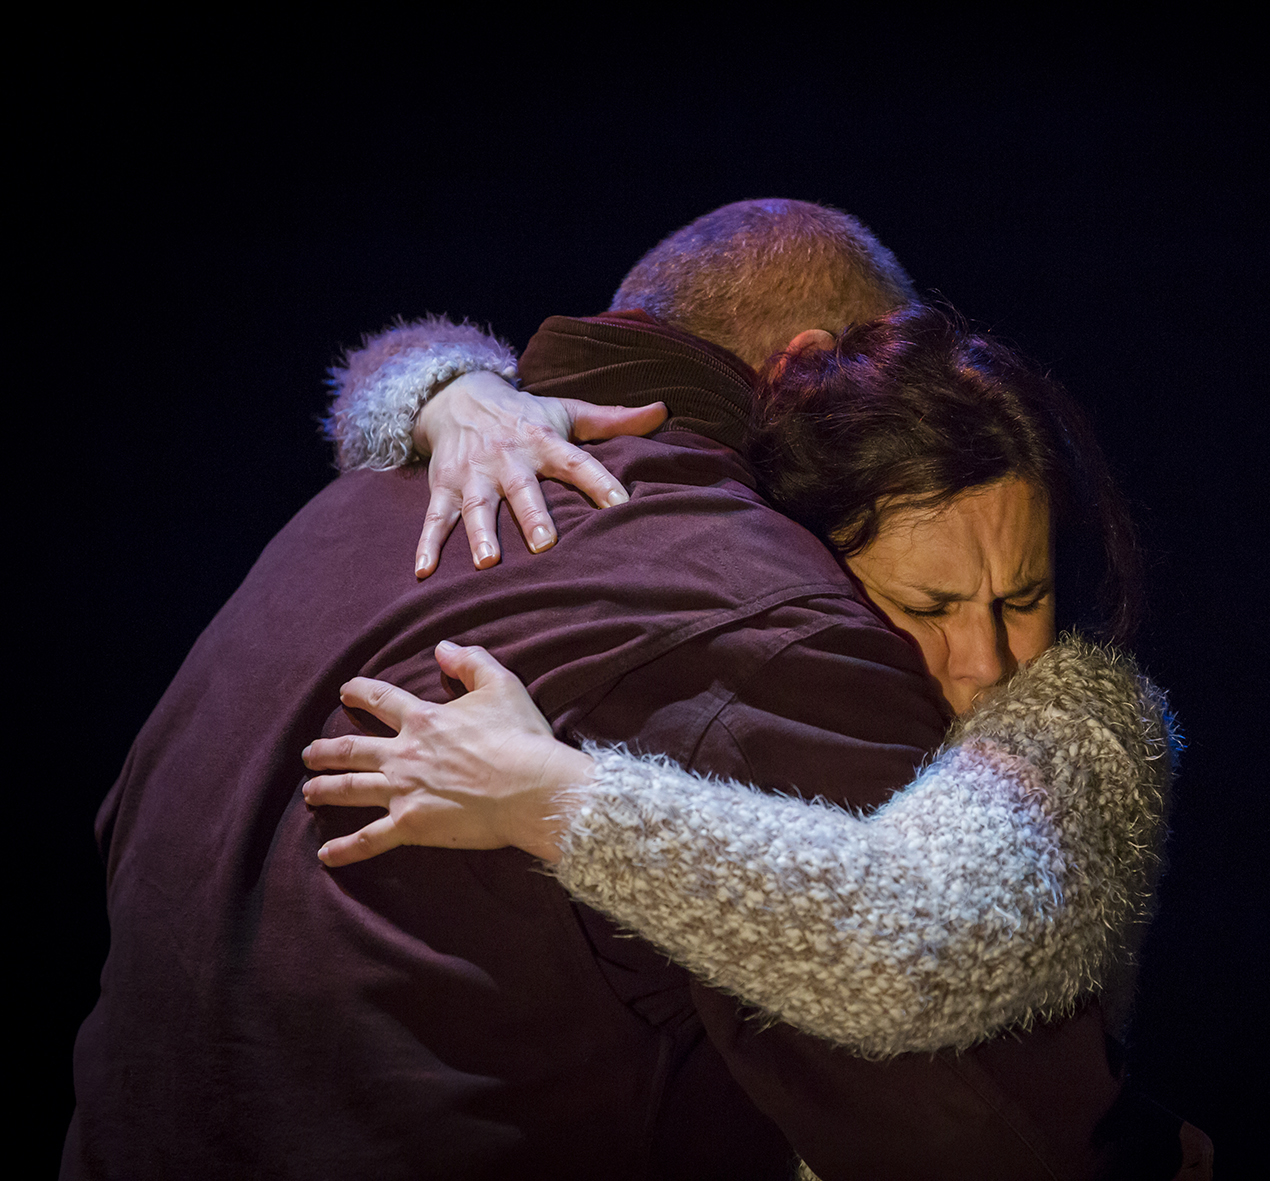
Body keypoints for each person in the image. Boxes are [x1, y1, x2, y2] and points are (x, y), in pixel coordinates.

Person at [66, 200, 1205, 1180]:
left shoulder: (333, 523)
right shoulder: (769, 610)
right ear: (815, 366)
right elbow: (983, 1128)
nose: (980, 658)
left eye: (1021, 602)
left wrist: (446, 385)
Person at [304, 304, 1176, 1060]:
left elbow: (911, 943)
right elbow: (400, 358)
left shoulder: (1083, 720)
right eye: (930, 606)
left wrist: (544, 793)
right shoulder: (789, 619)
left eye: (1023, 598)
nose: (989, 664)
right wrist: (453, 393)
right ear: (813, 569)